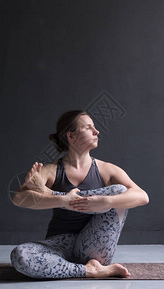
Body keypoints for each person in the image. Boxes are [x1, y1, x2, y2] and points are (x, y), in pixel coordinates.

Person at [10, 110, 149, 279]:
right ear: (71, 136)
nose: (96, 131)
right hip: (58, 244)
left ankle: (74, 267)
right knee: (20, 255)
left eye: (95, 127)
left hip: (94, 248)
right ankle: (90, 270)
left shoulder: (106, 169)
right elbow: (18, 198)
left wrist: (106, 201)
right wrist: (63, 200)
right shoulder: (51, 170)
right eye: (89, 128)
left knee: (119, 191)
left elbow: (142, 196)